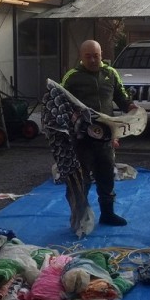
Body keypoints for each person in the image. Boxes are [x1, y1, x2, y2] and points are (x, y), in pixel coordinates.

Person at [61, 40, 136, 226]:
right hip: (81, 139)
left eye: (96, 55)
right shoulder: (72, 77)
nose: (93, 60)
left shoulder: (110, 73)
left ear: (101, 55)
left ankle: (107, 214)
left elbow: (120, 94)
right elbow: (60, 102)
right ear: (81, 57)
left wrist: (130, 106)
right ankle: (79, 216)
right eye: (88, 56)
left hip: (105, 138)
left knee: (106, 176)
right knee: (81, 179)